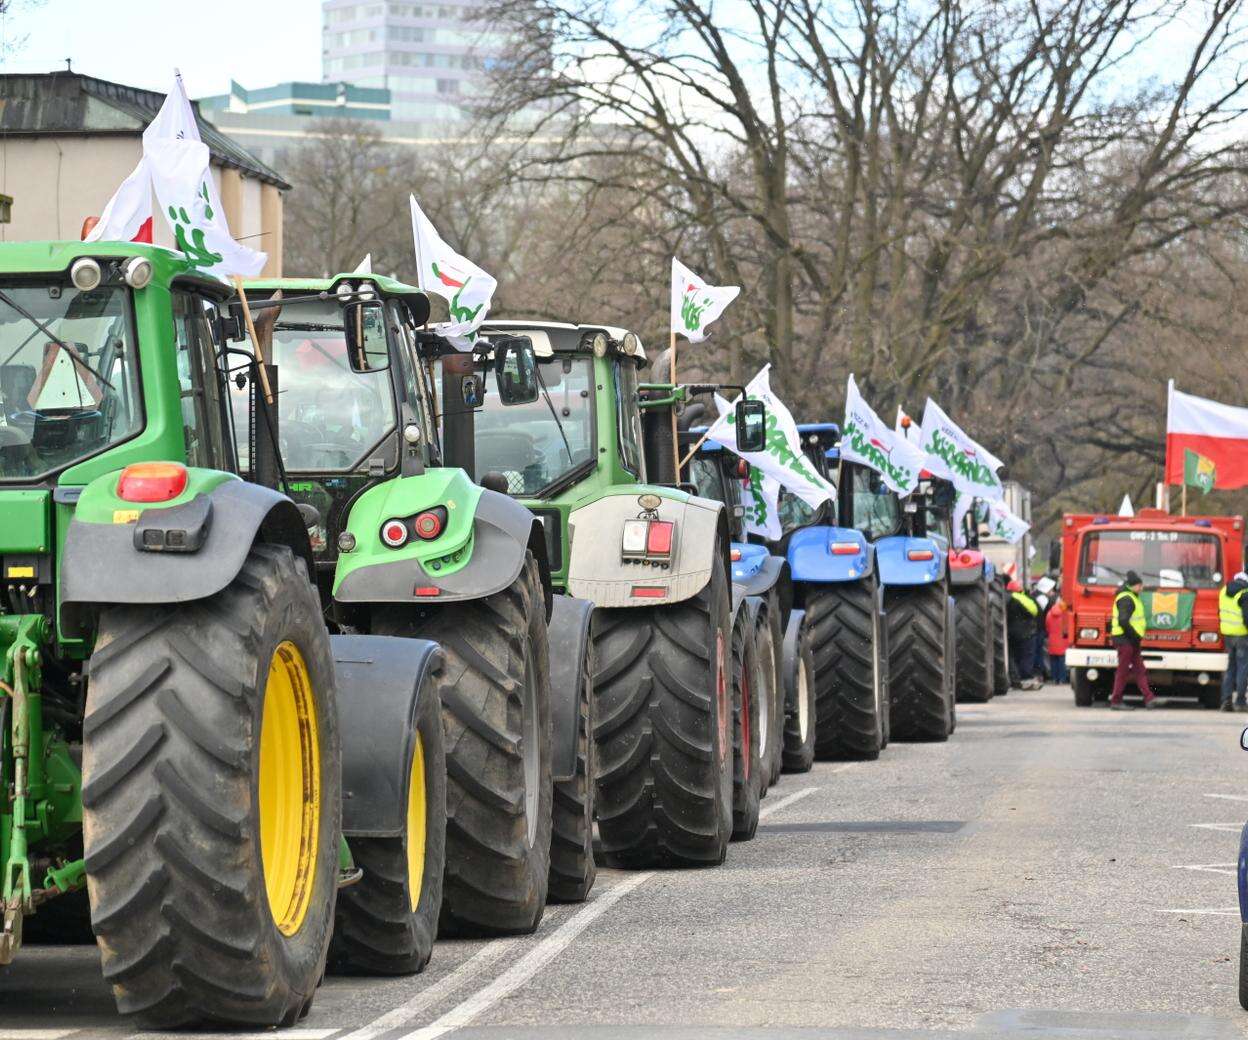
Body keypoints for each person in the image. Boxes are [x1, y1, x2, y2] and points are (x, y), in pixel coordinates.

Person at [1109, 570, 1157, 710]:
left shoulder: (1131, 596)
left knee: (1139, 669)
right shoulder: (1126, 598)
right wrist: (1135, 636)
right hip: (1126, 640)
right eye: (1140, 586)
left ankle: (1149, 698)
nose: (1142, 588)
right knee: (1123, 671)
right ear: (1134, 586)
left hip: (1130, 640)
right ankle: (1116, 701)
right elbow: (1124, 621)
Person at [1219, 570, 1248, 712]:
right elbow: (1247, 617)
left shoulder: (1224, 590)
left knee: (1231, 667)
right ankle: (1241, 702)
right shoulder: (1244, 593)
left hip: (1227, 634)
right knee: (1243, 667)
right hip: (1242, 635)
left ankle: (1226, 701)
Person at [1006, 579, 1039, 687]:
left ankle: (1014, 676)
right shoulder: (1020, 598)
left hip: (1010, 632)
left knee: (1013, 655)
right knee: (1026, 655)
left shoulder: (1004, 598)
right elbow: (1034, 610)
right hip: (1025, 632)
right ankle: (1025, 676)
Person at [1046, 595, 1070, 684]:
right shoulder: (1066, 615)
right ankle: (1062, 679)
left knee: (1053, 660)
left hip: (1052, 639)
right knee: (1062, 660)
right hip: (1063, 640)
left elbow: (1047, 627)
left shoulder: (1049, 613)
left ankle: (1054, 678)